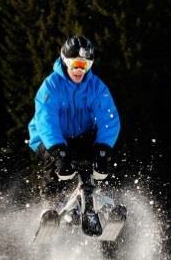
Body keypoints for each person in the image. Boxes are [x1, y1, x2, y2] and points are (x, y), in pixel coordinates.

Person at [28, 35, 121, 208]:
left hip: (80, 134)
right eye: (76, 64)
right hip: (47, 137)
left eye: (85, 65)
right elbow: (46, 120)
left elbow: (108, 118)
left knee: (96, 162)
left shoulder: (96, 87)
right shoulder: (51, 86)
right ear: (65, 61)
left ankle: (97, 200)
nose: (80, 70)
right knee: (56, 165)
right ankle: (50, 205)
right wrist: (58, 151)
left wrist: (102, 149)